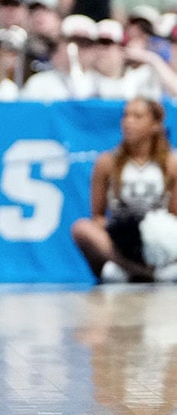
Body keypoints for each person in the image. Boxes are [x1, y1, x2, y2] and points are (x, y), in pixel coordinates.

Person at [70, 99, 177, 283]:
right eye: (126, 115)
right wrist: (119, 228)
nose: (128, 121)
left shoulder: (171, 163)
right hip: (121, 242)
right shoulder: (107, 162)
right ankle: (136, 270)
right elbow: (97, 216)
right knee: (81, 228)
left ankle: (159, 267)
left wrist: (154, 234)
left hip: (159, 241)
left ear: (155, 125)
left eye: (137, 116)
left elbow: (174, 216)